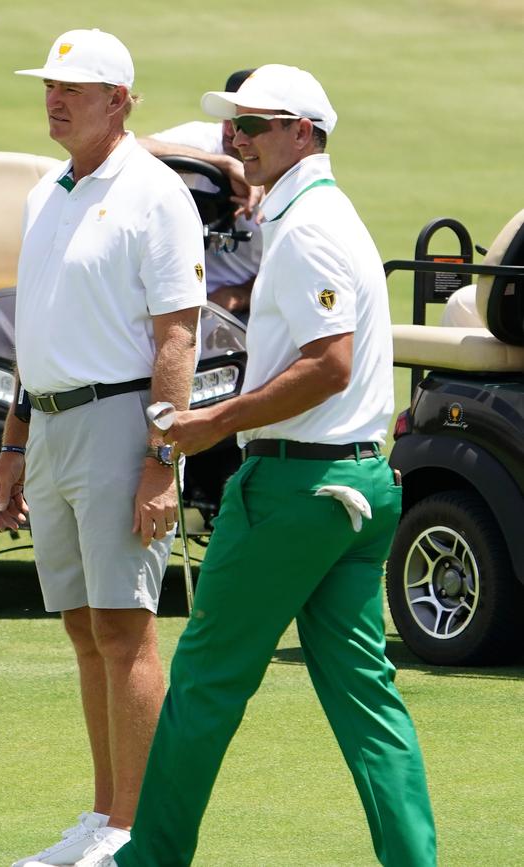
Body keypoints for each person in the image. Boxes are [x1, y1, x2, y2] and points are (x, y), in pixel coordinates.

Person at [107, 64, 438, 867]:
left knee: (206, 683)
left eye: (256, 125)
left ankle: (148, 860)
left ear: (302, 132)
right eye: (236, 125)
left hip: (296, 489)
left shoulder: (311, 225)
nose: (239, 138)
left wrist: (209, 423)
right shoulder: (313, 209)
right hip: (353, 488)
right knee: (366, 701)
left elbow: (329, 364)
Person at [0, 28, 206, 867]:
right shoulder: (46, 192)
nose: (54, 98)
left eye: (73, 88)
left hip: (121, 425)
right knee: (82, 625)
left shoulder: (156, 194)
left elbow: (175, 338)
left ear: (119, 101)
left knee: (125, 628)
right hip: (48, 424)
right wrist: (12, 443)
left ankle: (132, 831)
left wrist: (162, 459)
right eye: (49, 85)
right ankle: (105, 811)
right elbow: (34, 329)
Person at [139, 70, 263, 318]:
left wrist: (240, 294)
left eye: (244, 123)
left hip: (240, 307)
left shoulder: (284, 180)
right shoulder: (203, 139)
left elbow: (288, 274)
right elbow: (131, 148)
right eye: (228, 118)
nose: (231, 132)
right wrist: (222, 164)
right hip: (167, 292)